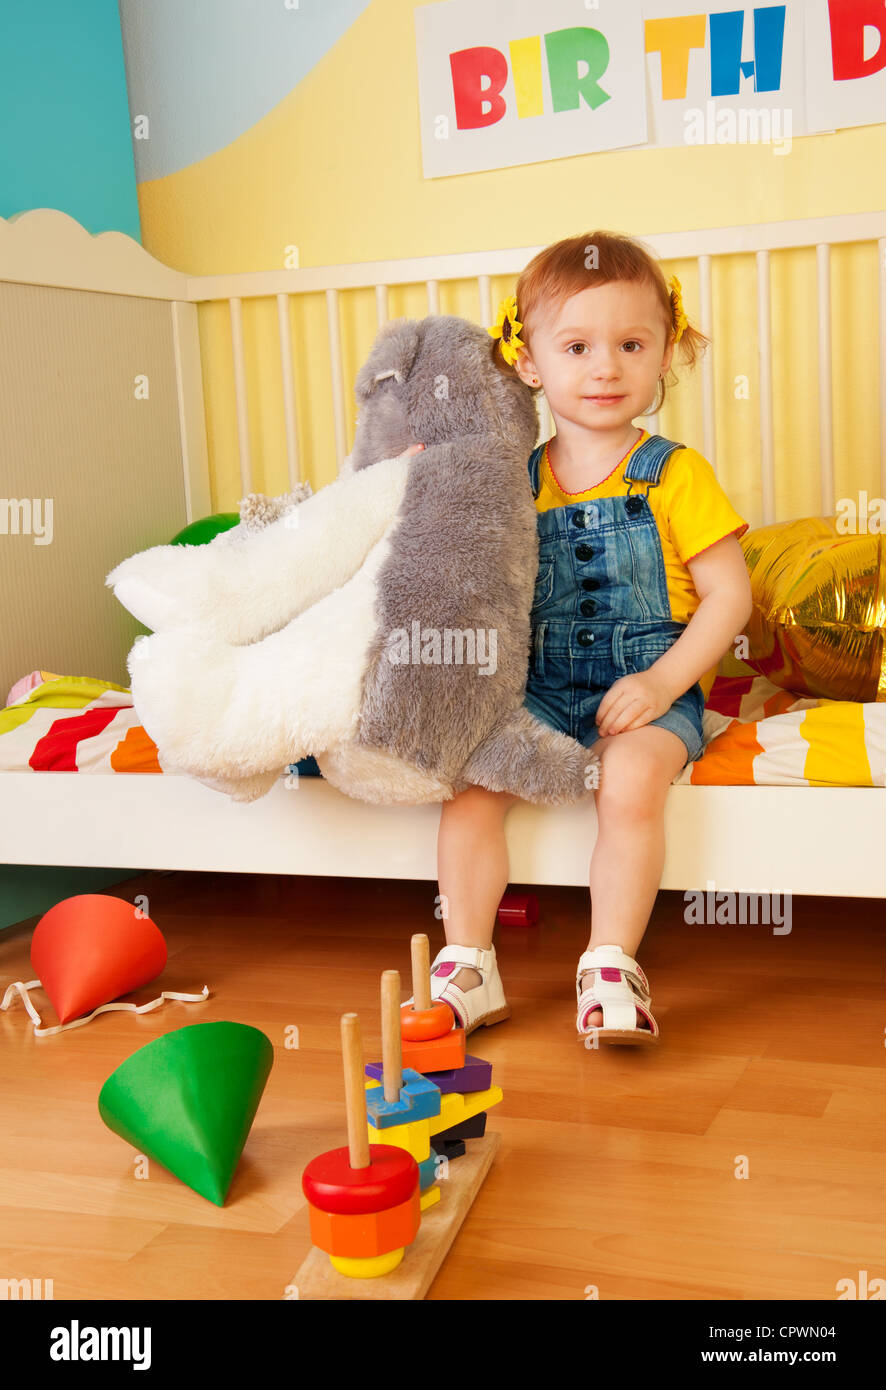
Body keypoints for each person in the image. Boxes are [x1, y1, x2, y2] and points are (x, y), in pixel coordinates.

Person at [414, 230, 753, 1046]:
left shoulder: (675, 473)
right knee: (469, 783)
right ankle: (468, 962)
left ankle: (610, 962)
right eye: (577, 346)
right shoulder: (514, 478)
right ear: (529, 362)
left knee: (630, 782)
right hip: (537, 686)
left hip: (646, 681)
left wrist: (665, 685)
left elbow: (730, 598)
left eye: (631, 344)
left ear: (664, 352)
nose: (605, 367)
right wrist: (420, 480)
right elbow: (452, 563)